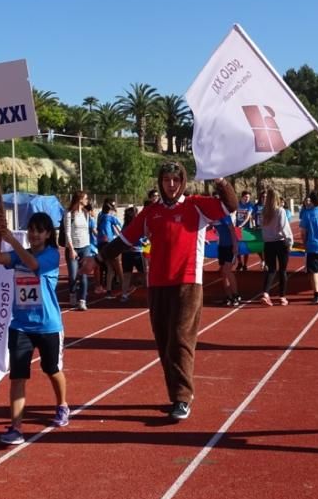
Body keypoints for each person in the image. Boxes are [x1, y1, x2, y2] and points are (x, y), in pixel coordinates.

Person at [90, 161, 237, 421]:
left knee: (181, 340)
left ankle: (182, 398)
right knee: (165, 343)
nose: (171, 184)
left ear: (183, 181)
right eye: (167, 179)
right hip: (157, 285)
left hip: (188, 284)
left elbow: (230, 206)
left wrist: (221, 181)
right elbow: (125, 240)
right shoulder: (151, 213)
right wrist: (99, 258)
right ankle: (176, 394)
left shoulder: (196, 205)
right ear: (160, 181)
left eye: (176, 179)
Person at [0, 211, 69, 445]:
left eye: (40, 230)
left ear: (47, 234)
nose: (34, 234)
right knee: (17, 377)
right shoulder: (17, 256)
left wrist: (12, 239)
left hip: (47, 325)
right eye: (31, 230)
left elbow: (33, 264)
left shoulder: (52, 256)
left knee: (51, 369)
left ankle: (62, 404)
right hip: (20, 325)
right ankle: (16, 427)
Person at [259, 188, 294, 306]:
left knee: (271, 269)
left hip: (268, 244)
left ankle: (265, 293)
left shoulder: (263, 212)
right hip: (280, 242)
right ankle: (282, 296)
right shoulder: (280, 211)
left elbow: (262, 228)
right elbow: (284, 228)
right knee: (283, 270)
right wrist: (290, 241)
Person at [64, 191, 92, 310]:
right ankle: (72, 294)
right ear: (80, 199)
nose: (87, 200)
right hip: (73, 247)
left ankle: (82, 300)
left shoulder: (86, 213)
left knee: (84, 274)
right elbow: (67, 232)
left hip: (85, 246)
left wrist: (90, 246)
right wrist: (71, 249)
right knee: (73, 275)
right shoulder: (69, 214)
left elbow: (87, 231)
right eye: (86, 198)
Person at [96, 199, 123, 296]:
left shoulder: (100, 216)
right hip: (108, 244)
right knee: (118, 267)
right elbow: (120, 227)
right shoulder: (110, 217)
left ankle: (108, 290)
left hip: (100, 244)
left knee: (110, 268)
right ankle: (124, 287)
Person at [119, 205, 145, 303]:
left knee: (129, 275)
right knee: (141, 274)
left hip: (132, 253)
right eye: (136, 213)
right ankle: (125, 294)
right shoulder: (130, 226)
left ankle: (125, 294)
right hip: (135, 253)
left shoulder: (126, 226)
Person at [214, 209, 240, 306]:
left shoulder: (225, 215)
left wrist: (235, 245)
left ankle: (236, 295)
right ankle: (228, 296)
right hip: (221, 246)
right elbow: (207, 227)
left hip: (230, 246)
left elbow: (232, 230)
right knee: (223, 272)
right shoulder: (212, 216)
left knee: (227, 270)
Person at [234, 191, 257, 271]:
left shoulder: (250, 205)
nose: (247, 199)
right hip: (237, 228)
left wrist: (242, 225)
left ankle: (245, 264)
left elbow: (248, 217)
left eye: (248, 197)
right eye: (246, 197)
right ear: (242, 197)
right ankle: (239, 262)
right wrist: (235, 225)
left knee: (245, 246)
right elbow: (234, 214)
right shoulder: (237, 204)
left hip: (246, 228)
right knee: (237, 246)